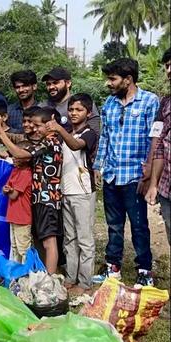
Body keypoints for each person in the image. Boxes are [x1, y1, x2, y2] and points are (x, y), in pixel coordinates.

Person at [93, 58, 160, 287]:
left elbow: (155, 138)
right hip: (112, 173)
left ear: (128, 79)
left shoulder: (149, 101)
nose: (108, 84)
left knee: (139, 225)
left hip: (135, 176)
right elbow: (105, 138)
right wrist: (98, 166)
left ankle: (144, 270)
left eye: (112, 79)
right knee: (114, 224)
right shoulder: (109, 104)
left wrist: (149, 170)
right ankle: (113, 267)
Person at [0, 107, 63, 274]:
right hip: (40, 198)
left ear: (50, 124)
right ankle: (42, 273)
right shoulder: (46, 141)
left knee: (49, 242)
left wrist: (1, 134)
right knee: (41, 241)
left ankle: (49, 279)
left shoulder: (50, 141)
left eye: (37, 125)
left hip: (48, 199)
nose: (34, 129)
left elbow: (20, 153)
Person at [46, 94, 99, 295]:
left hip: (83, 191)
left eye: (79, 110)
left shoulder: (89, 133)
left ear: (88, 113)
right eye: (71, 109)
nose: (74, 113)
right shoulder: (66, 132)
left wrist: (59, 129)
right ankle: (70, 277)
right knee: (69, 237)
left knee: (84, 238)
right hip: (66, 191)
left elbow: (76, 146)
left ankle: (85, 282)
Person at [145, 48, 171, 245]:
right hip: (167, 188)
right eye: (168, 66)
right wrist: (153, 183)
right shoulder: (165, 103)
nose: (169, 70)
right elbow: (160, 145)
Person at [39, 67, 100, 133]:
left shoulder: (83, 103)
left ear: (68, 83)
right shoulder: (42, 106)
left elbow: (94, 134)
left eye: (55, 83)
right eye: (48, 84)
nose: (51, 87)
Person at [2, 141, 33, 263]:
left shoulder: (26, 174)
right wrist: (6, 189)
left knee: (23, 249)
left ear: (25, 159)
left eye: (16, 156)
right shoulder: (15, 170)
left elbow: (14, 195)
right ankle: (16, 274)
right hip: (13, 217)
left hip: (22, 218)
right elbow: (7, 190)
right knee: (14, 248)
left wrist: (9, 190)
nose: (13, 158)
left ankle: (26, 273)